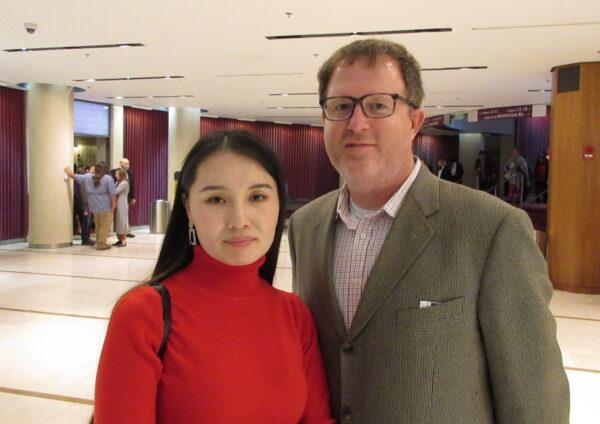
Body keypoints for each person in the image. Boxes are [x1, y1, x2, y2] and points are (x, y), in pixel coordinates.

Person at [288, 38, 569, 423]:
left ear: (414, 122)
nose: (356, 122)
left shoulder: (491, 228)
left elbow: (535, 399)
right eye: (341, 106)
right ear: (324, 119)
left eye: (377, 105)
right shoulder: (306, 226)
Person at [93, 130, 334, 423]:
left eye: (257, 196)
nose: (239, 220)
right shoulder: (144, 315)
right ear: (187, 207)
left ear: (278, 203)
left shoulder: (295, 316)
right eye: (217, 199)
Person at [65, 162, 116, 250]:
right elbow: (113, 195)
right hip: (105, 207)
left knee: (98, 226)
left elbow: (71, 175)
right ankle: (102, 244)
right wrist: (113, 207)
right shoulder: (108, 179)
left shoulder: (87, 176)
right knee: (104, 226)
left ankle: (99, 242)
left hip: (94, 207)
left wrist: (66, 168)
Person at [111, 158, 136, 238]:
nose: (128, 165)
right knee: (120, 218)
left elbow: (132, 186)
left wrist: (132, 197)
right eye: (126, 163)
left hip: (123, 198)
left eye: (128, 163)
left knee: (123, 217)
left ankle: (124, 234)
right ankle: (121, 235)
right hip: (117, 199)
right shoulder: (114, 172)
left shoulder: (127, 177)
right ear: (121, 164)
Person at [73, 166, 93, 246]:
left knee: (85, 222)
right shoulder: (80, 183)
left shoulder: (75, 182)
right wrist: (84, 208)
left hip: (79, 205)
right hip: (83, 206)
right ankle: (85, 239)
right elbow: (80, 195)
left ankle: (86, 239)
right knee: (85, 223)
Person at [113, 169, 130, 247]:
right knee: (118, 221)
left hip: (122, 204)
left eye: (117, 174)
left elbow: (115, 192)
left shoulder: (124, 183)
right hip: (118, 203)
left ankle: (123, 240)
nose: (116, 175)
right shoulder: (118, 182)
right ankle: (119, 239)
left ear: (122, 174)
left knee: (122, 221)